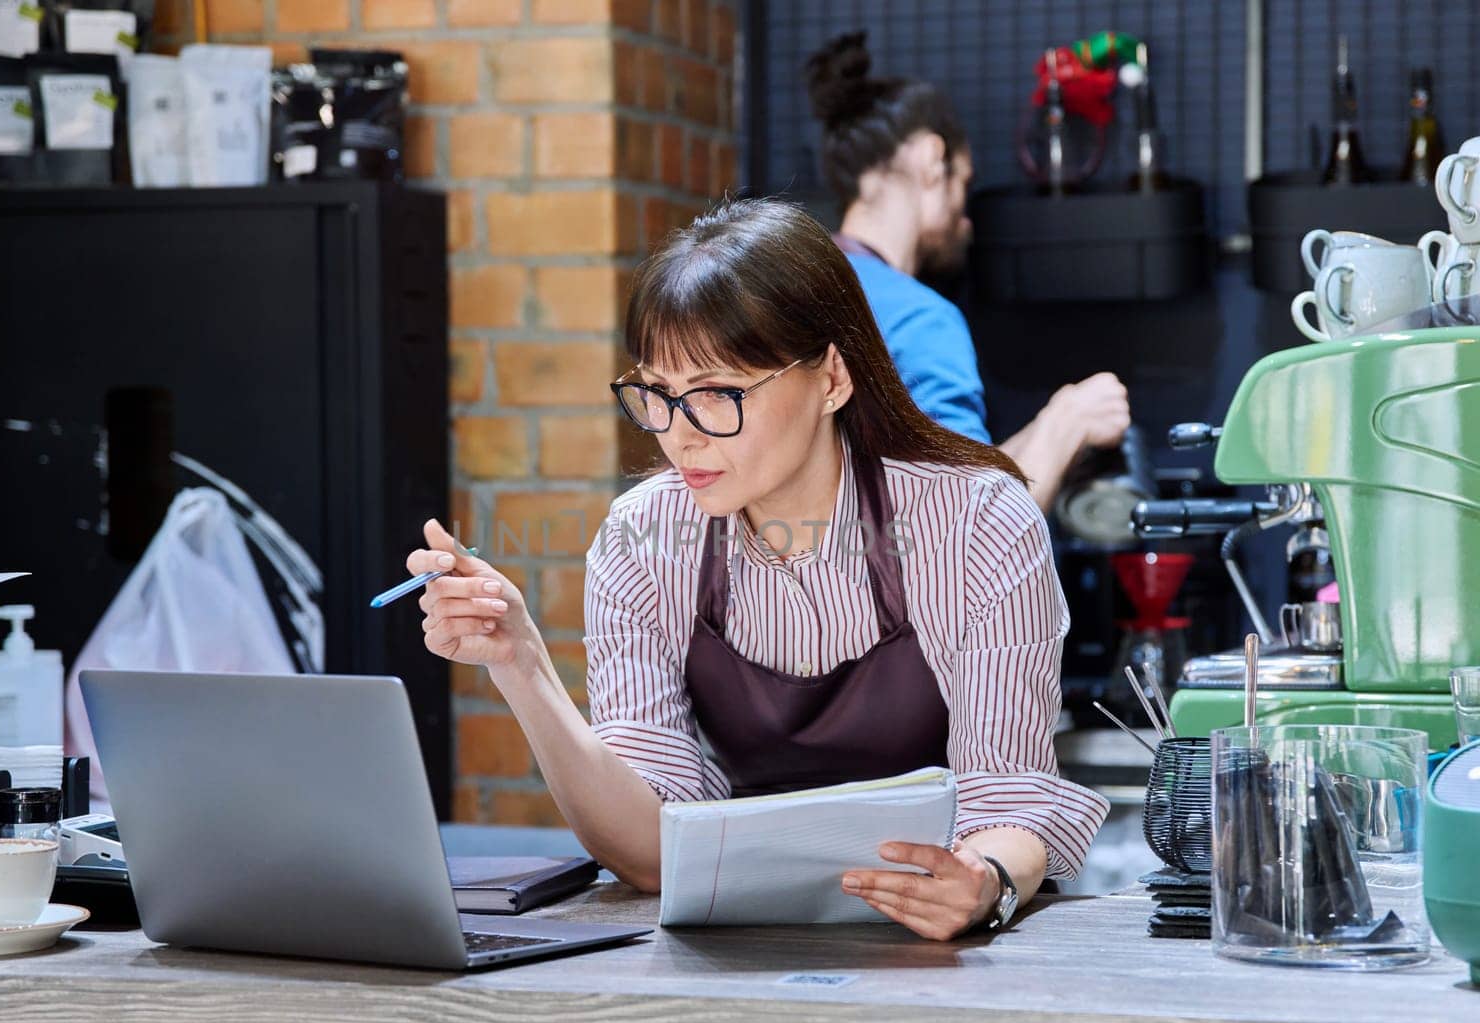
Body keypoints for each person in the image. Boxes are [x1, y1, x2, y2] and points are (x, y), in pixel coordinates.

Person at [410, 199, 1106, 942]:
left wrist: (981, 884)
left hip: (939, 945)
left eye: (717, 394)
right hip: (740, 944)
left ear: (832, 377)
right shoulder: (644, 538)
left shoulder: (977, 523)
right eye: (658, 395)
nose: (680, 437)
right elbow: (650, 848)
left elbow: (1010, 804)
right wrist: (521, 664)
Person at [806, 32, 1131, 512]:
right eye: (965, 182)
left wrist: (1046, 427)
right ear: (931, 161)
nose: (967, 219)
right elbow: (965, 524)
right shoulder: (919, 318)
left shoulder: (799, 286)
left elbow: (953, 480)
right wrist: (1068, 422)